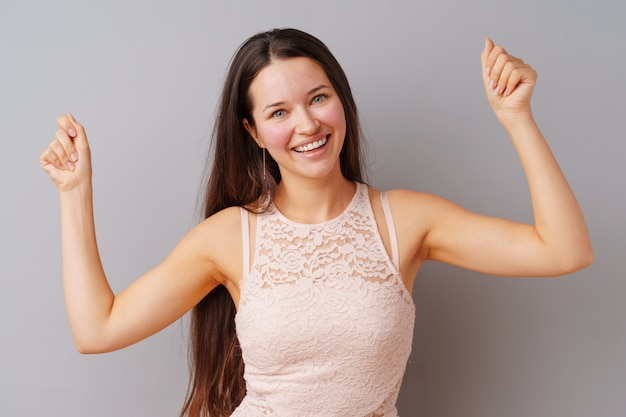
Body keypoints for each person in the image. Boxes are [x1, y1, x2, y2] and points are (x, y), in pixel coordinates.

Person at [39, 28, 593, 417]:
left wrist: (517, 119)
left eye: (319, 98)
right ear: (253, 132)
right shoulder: (233, 236)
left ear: (341, 103)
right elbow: (98, 329)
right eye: (278, 112)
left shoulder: (406, 220)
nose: (306, 124)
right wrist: (75, 193)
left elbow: (563, 250)